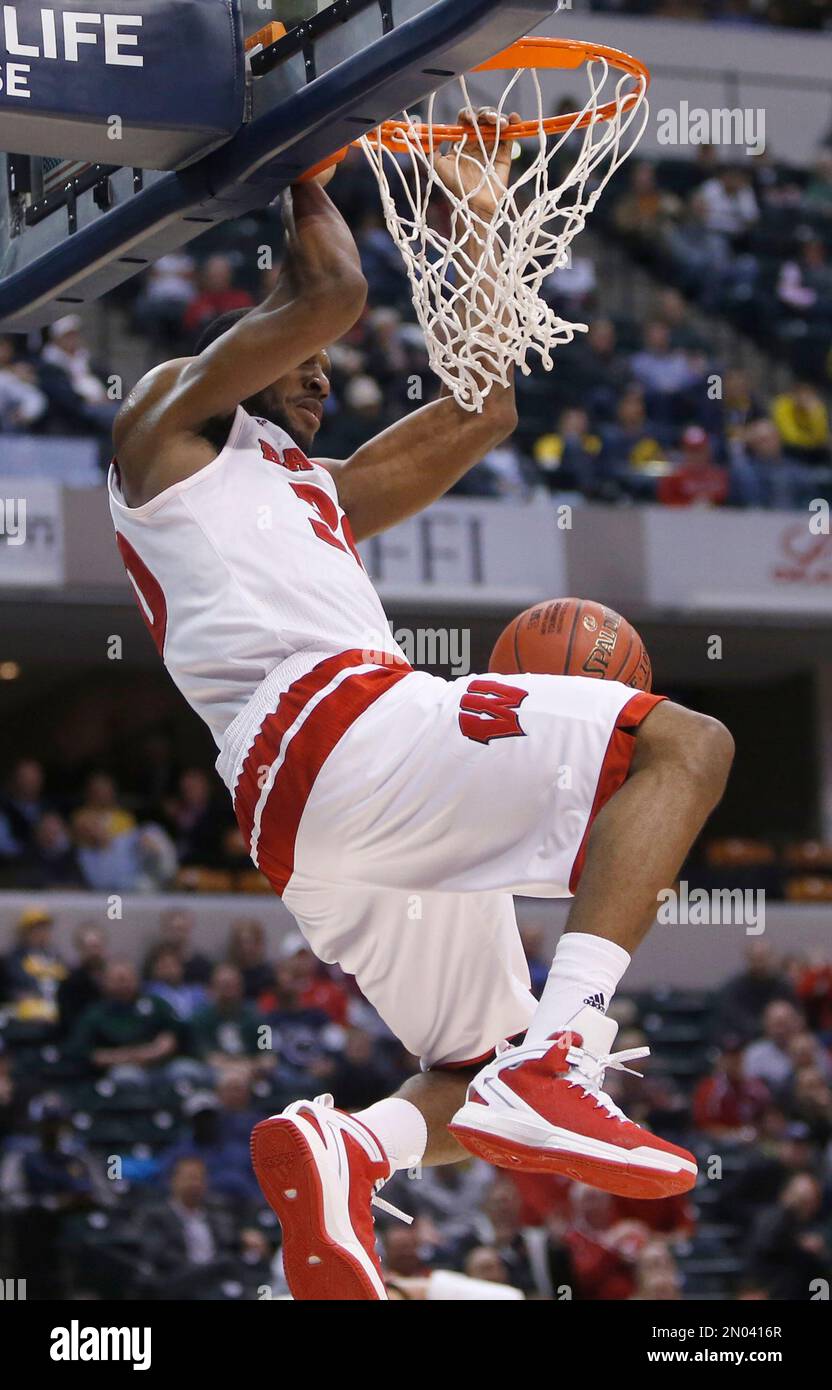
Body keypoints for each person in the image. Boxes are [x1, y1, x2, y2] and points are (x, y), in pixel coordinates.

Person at [108, 111, 734, 1301]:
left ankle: (352, 1144)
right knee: (687, 745)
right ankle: (568, 1048)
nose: (321, 368)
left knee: (471, 1070)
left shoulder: (319, 493)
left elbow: (484, 412)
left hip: (320, 822)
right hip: (338, 735)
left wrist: (486, 227)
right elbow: (333, 291)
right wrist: (305, 154)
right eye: (291, 353)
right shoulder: (162, 435)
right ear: (231, 350)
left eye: (323, 362)